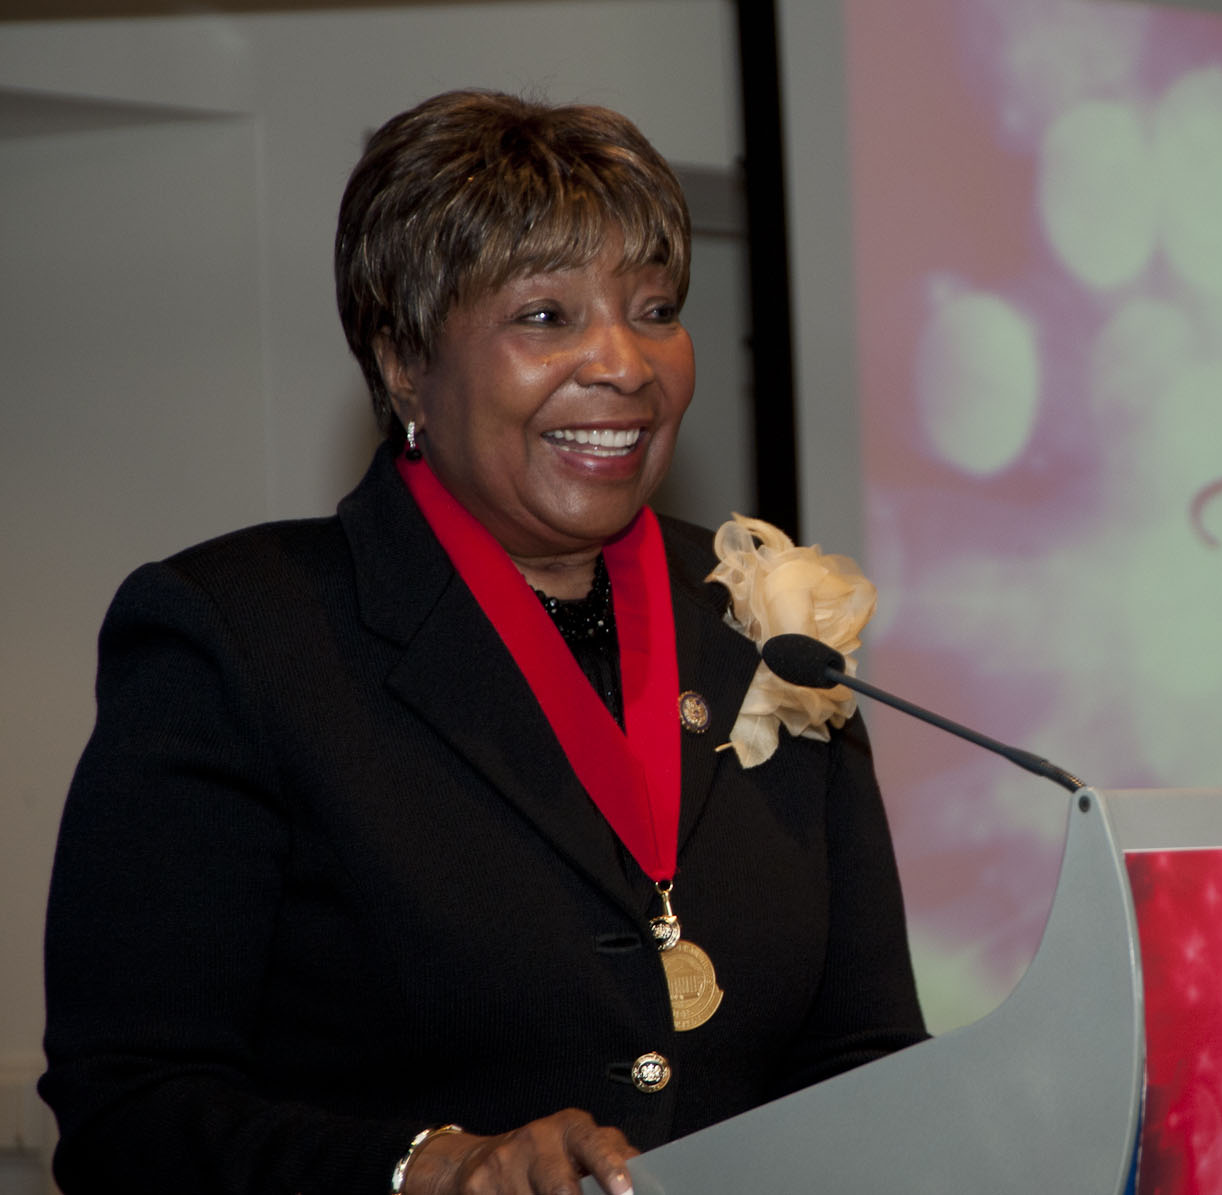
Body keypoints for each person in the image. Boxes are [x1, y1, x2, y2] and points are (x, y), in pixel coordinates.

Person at [39, 89, 926, 1195]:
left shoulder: (756, 616)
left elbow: (866, 1060)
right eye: (546, 316)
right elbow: (130, 1112)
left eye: (654, 309)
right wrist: (431, 1169)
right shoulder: (238, 637)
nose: (626, 365)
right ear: (405, 360)